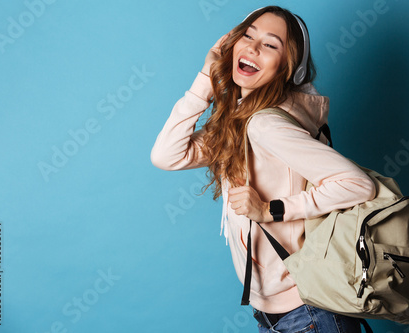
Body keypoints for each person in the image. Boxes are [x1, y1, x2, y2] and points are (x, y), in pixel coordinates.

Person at [151, 6, 376, 333]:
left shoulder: (266, 125)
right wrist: (205, 79)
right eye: (247, 36)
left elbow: (358, 185)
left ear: (289, 67)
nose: (253, 48)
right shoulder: (241, 123)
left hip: (308, 314)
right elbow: (167, 155)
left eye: (270, 45)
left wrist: (270, 209)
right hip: (284, 316)